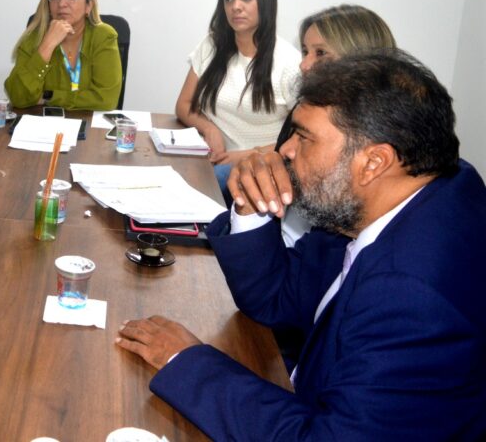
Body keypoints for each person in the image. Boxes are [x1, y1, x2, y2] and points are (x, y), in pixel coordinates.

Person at [116, 51, 486, 440]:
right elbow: (274, 297)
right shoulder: (405, 191)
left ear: (374, 162)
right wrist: (251, 204)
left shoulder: (412, 295)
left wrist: (185, 361)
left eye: (304, 137)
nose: (285, 150)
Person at [175, 0, 300, 199]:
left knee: (200, 188)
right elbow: (184, 104)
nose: (235, 7)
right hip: (210, 155)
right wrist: (209, 128)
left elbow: (300, 140)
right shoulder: (212, 45)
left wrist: (243, 155)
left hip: (260, 164)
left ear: (265, 1)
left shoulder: (290, 64)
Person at [275, 4, 396, 245]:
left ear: (360, 57)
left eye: (320, 53)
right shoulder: (306, 109)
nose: (304, 65)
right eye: (305, 52)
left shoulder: (377, 131)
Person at [4, 0, 121, 110]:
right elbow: (18, 97)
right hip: (43, 122)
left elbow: (106, 100)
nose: (61, 3)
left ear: (88, 5)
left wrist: (48, 96)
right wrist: (47, 45)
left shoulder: (103, 36)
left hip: (88, 122)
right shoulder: (35, 36)